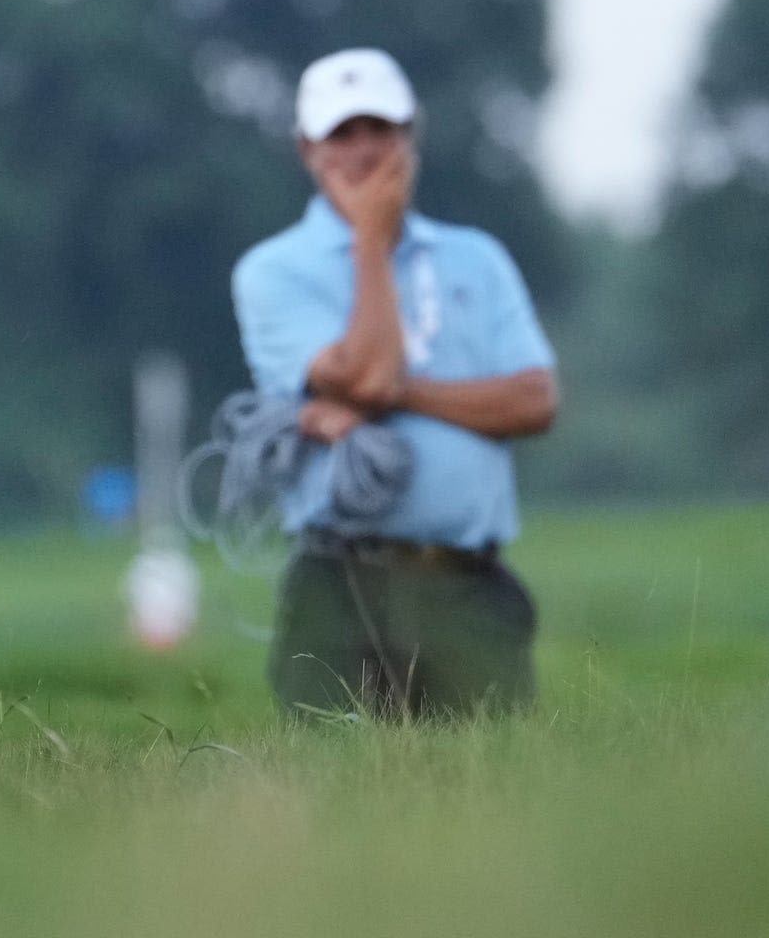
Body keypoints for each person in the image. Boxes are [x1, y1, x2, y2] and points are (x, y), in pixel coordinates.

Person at [231, 48, 561, 719]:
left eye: (380, 130)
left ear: (411, 136)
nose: (363, 151)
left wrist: (402, 397)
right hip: (341, 582)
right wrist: (372, 246)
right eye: (340, 135)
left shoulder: (477, 257)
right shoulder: (271, 271)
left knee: (496, 800)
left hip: (467, 580)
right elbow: (371, 373)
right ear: (306, 149)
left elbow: (533, 400)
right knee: (341, 802)